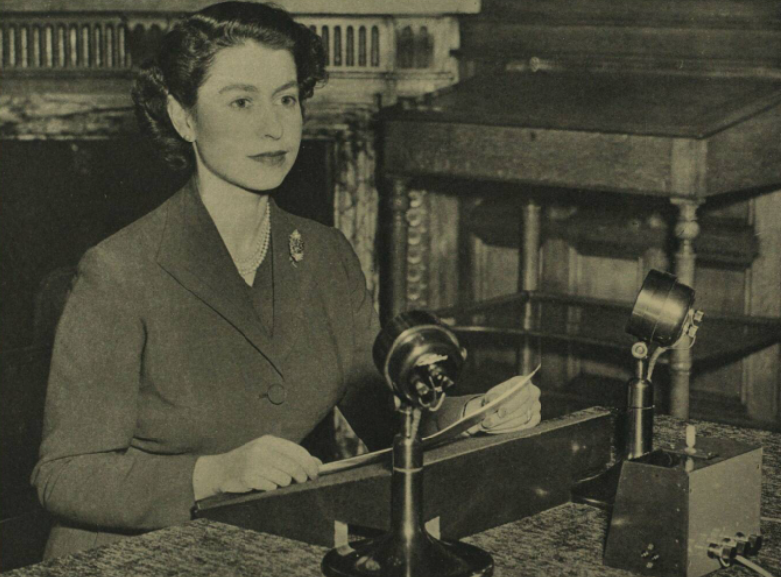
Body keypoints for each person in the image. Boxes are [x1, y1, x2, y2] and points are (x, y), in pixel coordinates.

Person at [32, 1, 542, 560]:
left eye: (287, 99)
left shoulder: (327, 256)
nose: (273, 127)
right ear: (183, 117)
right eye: (242, 102)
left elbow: (387, 416)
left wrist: (476, 415)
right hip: (132, 557)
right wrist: (210, 475)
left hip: (264, 546)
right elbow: (64, 475)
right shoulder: (119, 271)